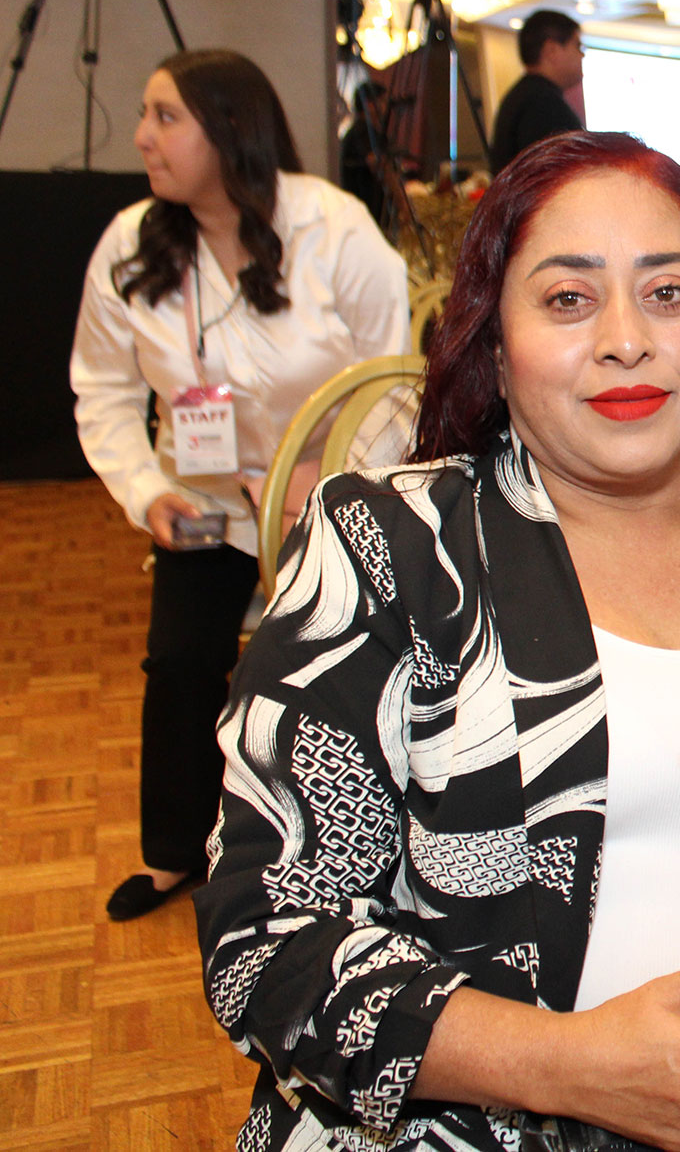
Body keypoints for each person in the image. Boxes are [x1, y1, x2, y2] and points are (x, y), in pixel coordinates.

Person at [197, 132, 680, 1152]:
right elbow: (266, 938)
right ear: (493, 343)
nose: (626, 340)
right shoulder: (391, 549)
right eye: (567, 299)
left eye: (668, 293)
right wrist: (571, 1069)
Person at [70, 49, 409, 922]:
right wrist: (147, 491)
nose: (142, 137)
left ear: (230, 129)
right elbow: (102, 389)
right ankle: (174, 851)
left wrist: (329, 472)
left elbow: (399, 380)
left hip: (330, 501)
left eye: (165, 116)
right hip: (206, 506)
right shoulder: (131, 243)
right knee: (181, 662)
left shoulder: (332, 227)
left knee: (322, 680)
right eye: (145, 115)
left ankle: (330, 857)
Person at [488, 10, 584, 174]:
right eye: (578, 46)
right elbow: (558, 178)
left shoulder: (524, 95)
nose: (582, 55)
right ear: (551, 50)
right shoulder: (543, 103)